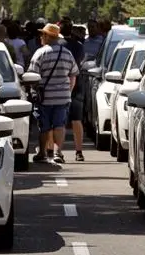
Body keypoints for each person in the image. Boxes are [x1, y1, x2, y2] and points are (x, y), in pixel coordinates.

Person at [28, 23, 79, 164]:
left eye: (42, 34)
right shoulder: (67, 54)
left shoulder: (40, 53)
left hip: (44, 98)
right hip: (63, 97)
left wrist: (34, 90)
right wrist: (68, 91)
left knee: (44, 126)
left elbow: (32, 75)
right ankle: (58, 152)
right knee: (59, 125)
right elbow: (73, 75)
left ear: (47, 36)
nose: (40, 37)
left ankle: (42, 153)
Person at [60, 20, 86, 161]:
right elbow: (80, 62)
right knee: (77, 119)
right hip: (77, 83)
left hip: (61, 84)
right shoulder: (79, 46)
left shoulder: (59, 46)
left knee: (60, 120)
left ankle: (58, 152)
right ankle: (79, 152)